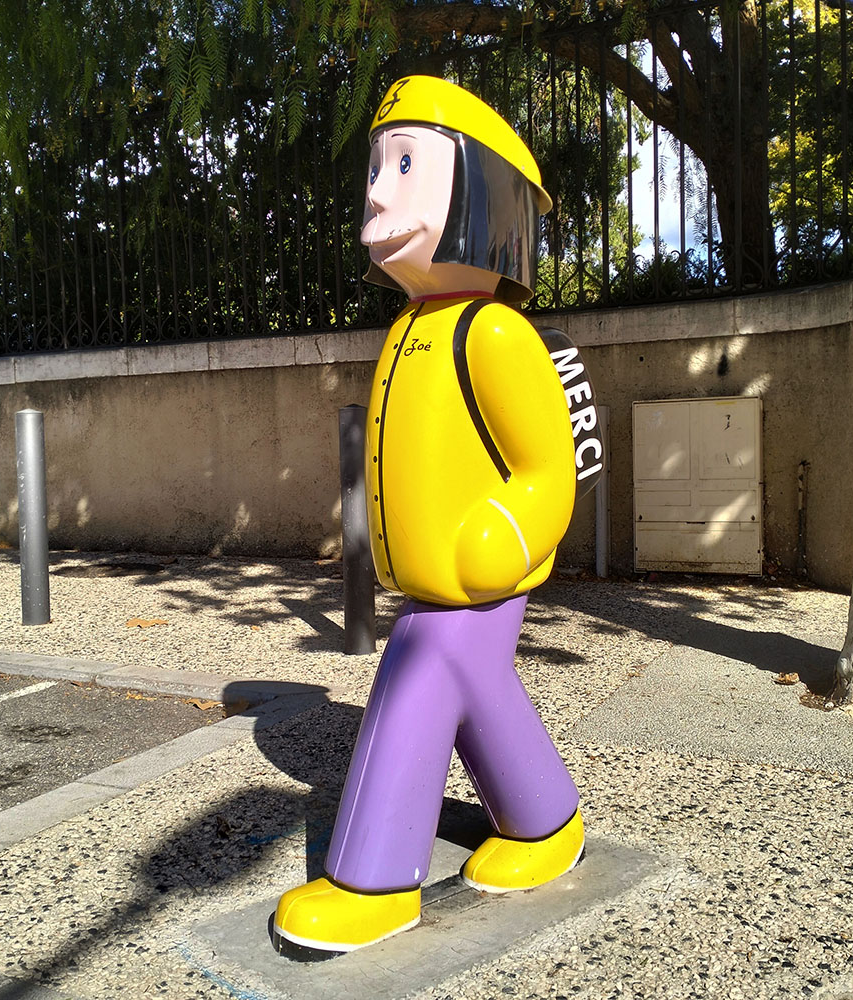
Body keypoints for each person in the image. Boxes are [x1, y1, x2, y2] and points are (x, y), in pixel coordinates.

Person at [272, 75, 583, 956]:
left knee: (418, 676)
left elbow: (547, 465)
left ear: (479, 191)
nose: (378, 191)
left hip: (476, 576)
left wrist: (506, 536)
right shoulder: (413, 330)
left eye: (406, 164)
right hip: (435, 577)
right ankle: (546, 822)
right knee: (479, 688)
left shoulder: (493, 334)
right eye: (379, 167)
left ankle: (371, 880)